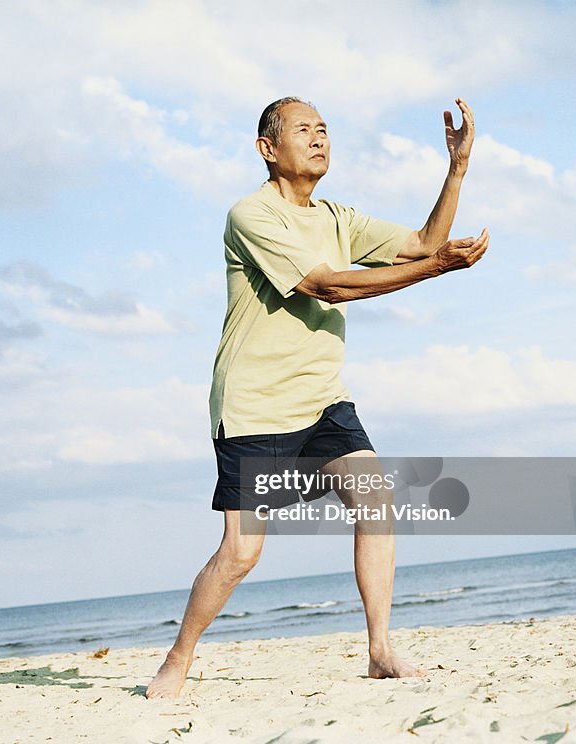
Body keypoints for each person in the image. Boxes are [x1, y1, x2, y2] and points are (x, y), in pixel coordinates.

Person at [144, 96, 488, 698]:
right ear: (267, 148)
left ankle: (380, 650)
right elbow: (325, 285)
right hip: (254, 403)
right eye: (303, 129)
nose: (319, 138)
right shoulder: (252, 215)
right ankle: (178, 657)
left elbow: (423, 241)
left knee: (376, 499)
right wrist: (434, 269)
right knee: (242, 552)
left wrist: (455, 169)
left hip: (323, 398)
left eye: (325, 129)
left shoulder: (336, 216)